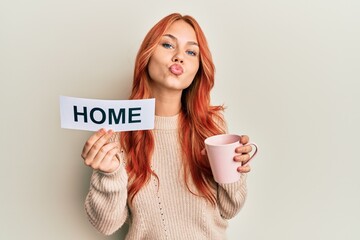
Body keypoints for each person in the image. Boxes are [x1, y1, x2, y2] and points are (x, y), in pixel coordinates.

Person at [81, 13, 255, 240]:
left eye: (191, 52)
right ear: (147, 55)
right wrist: (108, 174)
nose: (179, 57)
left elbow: (230, 209)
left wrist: (234, 171)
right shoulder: (118, 131)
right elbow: (106, 225)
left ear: (198, 69)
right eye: (167, 44)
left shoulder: (212, 126)